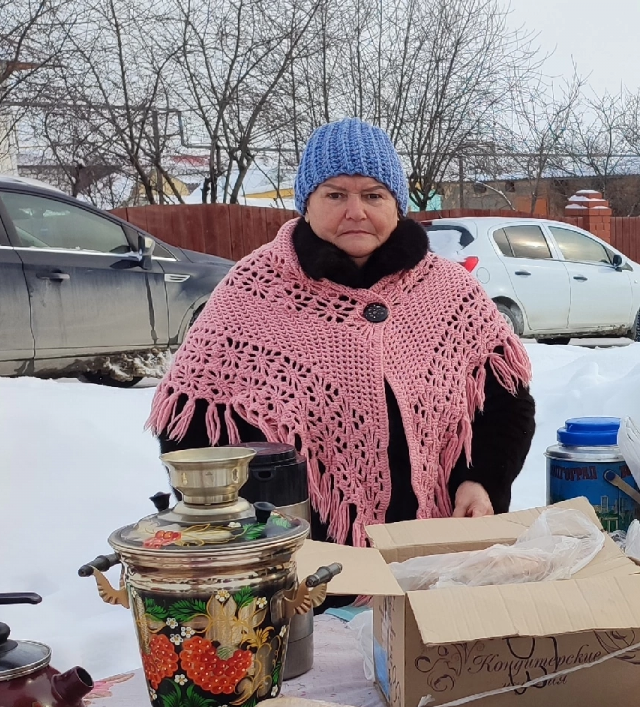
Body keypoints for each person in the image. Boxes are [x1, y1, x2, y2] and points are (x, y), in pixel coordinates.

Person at [150, 119, 535, 545]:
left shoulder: (448, 291)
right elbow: (192, 431)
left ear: (396, 205)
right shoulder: (251, 292)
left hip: (432, 553)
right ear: (306, 204)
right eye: (335, 194)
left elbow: (506, 405)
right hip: (302, 572)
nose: (356, 211)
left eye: (373, 195)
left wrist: (481, 482)